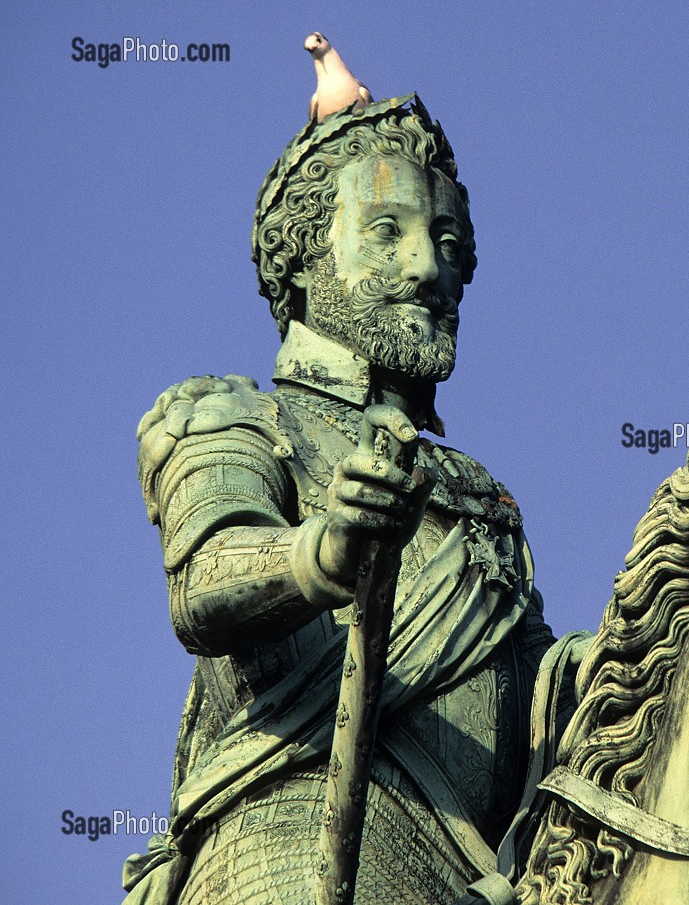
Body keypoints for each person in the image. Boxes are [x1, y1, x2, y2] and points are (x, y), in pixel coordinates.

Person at [123, 95, 560, 904]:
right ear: (302, 259)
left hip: (479, 882)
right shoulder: (235, 417)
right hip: (286, 847)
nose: (430, 269)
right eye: (387, 233)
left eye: (448, 241)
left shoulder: (480, 499)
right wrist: (326, 550)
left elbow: (542, 702)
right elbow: (206, 584)